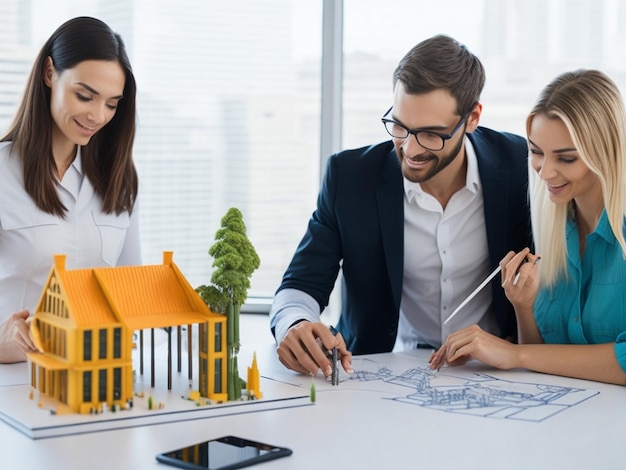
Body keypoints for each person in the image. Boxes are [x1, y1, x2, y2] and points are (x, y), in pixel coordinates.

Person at [269, 34, 532, 379]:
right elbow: (301, 284)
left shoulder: (520, 164)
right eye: (400, 125)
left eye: (431, 134)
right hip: (379, 373)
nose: (409, 148)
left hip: (494, 370)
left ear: (472, 118)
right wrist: (295, 323)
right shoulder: (350, 177)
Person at [430, 69, 626, 385]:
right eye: (536, 152)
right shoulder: (552, 226)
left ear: (605, 153)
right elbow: (546, 358)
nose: (545, 172)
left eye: (566, 158)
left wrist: (513, 353)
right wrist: (524, 307)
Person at [0, 17, 141, 363]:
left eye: (111, 103)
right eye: (85, 96)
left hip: (96, 381)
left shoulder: (120, 180)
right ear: (50, 73)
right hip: (12, 386)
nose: (97, 116)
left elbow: (129, 295)